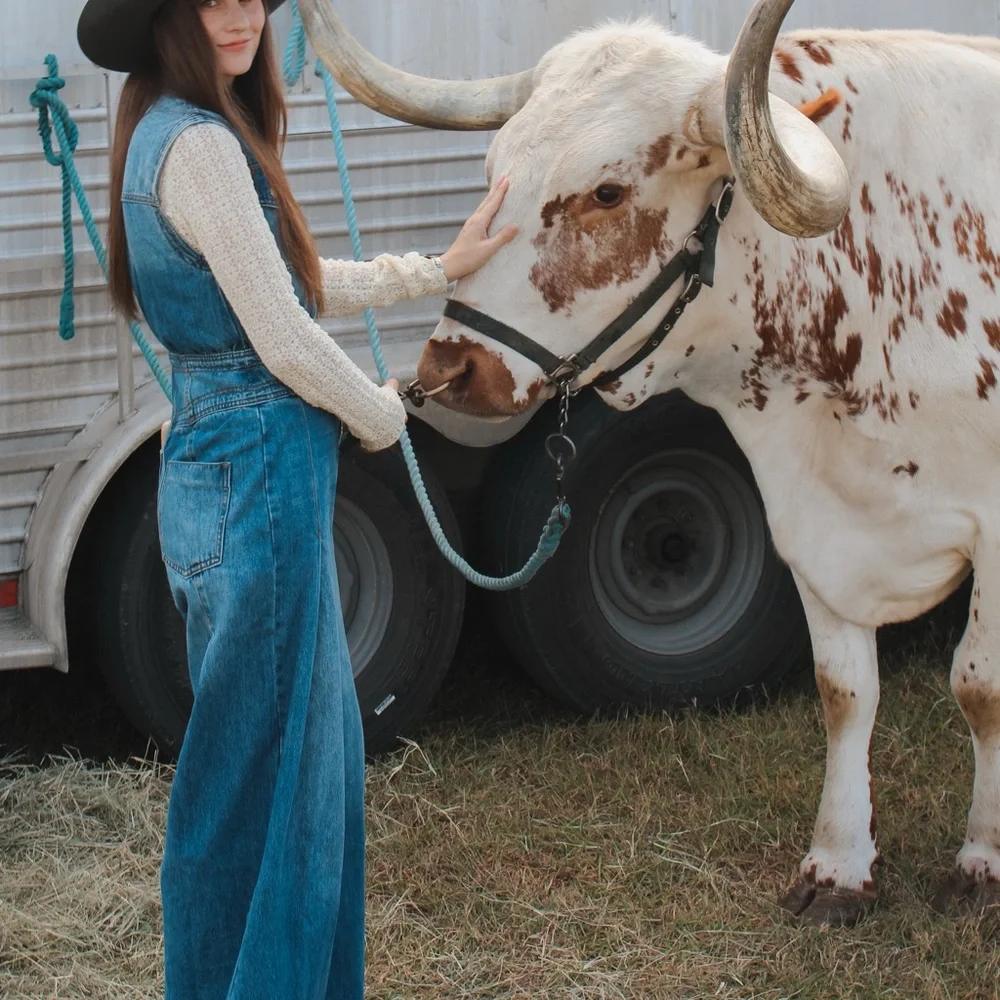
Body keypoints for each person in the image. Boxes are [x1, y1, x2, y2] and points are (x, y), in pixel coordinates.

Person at [76, 1, 518, 997]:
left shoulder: (156, 133)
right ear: (170, 18)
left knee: (241, 779)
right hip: (260, 477)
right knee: (289, 785)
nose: (239, 16)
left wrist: (436, 270)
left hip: (206, 465)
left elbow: (286, 289)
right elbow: (281, 337)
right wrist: (382, 414)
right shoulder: (201, 147)